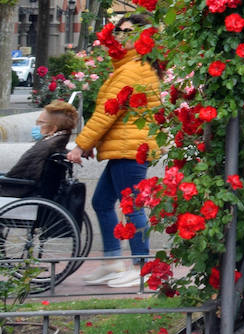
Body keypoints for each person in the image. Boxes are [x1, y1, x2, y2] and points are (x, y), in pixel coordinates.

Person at [67, 16, 162, 288]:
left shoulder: (133, 69)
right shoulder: (129, 66)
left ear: (144, 37)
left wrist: (81, 145)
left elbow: (106, 113)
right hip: (125, 147)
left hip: (130, 149)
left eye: (128, 31)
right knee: (102, 202)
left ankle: (141, 266)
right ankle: (112, 262)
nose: (121, 36)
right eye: (119, 31)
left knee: (132, 209)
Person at [0, 100, 79, 196]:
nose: (36, 126)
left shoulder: (44, 148)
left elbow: (20, 176)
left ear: (53, 129)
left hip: (19, 191)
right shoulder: (55, 143)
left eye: (40, 123)